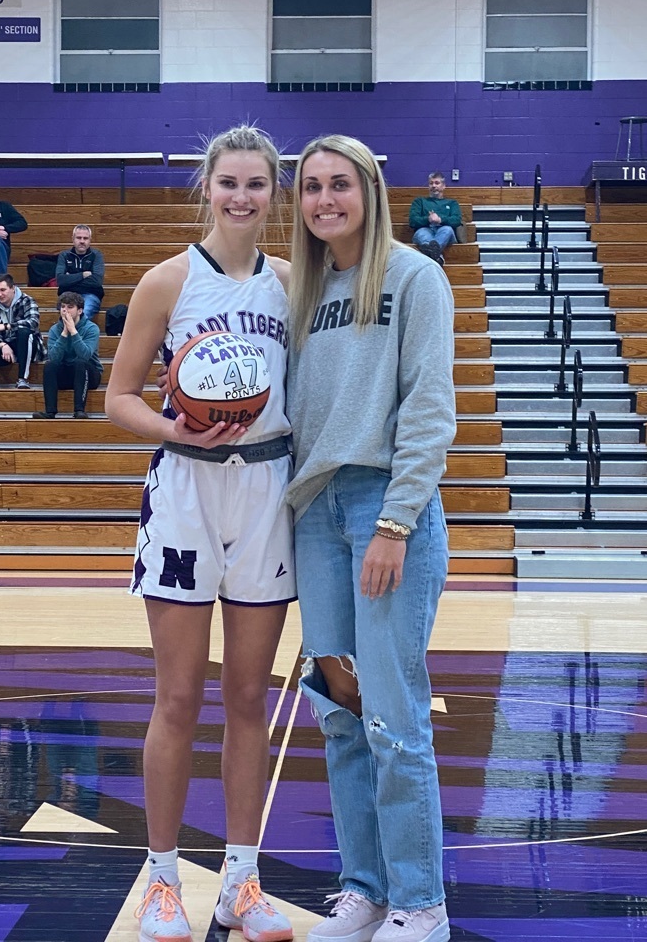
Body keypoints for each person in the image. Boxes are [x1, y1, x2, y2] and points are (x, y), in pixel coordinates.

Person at [104, 125, 296, 942]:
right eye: (230, 184)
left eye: (257, 184)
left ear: (272, 192)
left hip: (267, 491)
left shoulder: (293, 282)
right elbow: (118, 398)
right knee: (178, 697)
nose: (243, 198)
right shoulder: (167, 280)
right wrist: (180, 432)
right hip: (186, 492)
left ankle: (241, 883)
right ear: (207, 188)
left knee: (249, 698)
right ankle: (160, 880)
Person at [286, 136, 455, 942]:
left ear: (370, 189)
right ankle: (365, 890)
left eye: (339, 185)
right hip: (316, 517)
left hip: (385, 511)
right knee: (340, 715)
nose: (325, 199)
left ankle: (421, 904)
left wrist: (396, 520)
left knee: (393, 718)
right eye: (313, 187)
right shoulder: (306, 292)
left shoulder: (417, 276)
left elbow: (429, 408)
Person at [32, 291, 102, 419]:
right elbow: (53, 358)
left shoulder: (91, 328)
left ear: (79, 311)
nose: (65, 310)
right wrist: (64, 333)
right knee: (49, 366)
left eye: (70, 307)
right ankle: (50, 411)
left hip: (88, 373)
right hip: (66, 373)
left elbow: (85, 355)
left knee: (80, 363)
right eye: (63, 307)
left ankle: (79, 410)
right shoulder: (55, 330)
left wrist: (74, 332)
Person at [0, 274, 45, 390]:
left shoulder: (27, 301)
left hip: (28, 346)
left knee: (24, 333)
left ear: (13, 288)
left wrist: (6, 326)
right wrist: (2, 345)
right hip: (7, 349)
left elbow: (33, 323)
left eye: (3, 290)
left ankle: (23, 379)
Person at [408, 172, 463, 265]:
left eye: (437, 183)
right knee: (421, 233)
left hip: (444, 231)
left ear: (443, 186)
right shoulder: (419, 201)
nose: (433, 186)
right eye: (431, 183)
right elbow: (412, 221)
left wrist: (440, 220)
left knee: (447, 229)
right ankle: (437, 257)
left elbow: (457, 220)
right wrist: (428, 219)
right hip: (425, 229)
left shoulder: (452, 203)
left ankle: (431, 254)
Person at [55, 224, 105, 321]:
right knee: (67, 313)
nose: (82, 241)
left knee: (84, 313)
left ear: (90, 240)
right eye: (79, 238)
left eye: (85, 238)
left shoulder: (96, 255)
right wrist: (83, 275)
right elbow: (60, 280)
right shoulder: (64, 255)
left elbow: (97, 281)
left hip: (90, 294)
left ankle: (74, 335)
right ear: (73, 239)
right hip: (67, 295)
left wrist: (70, 279)